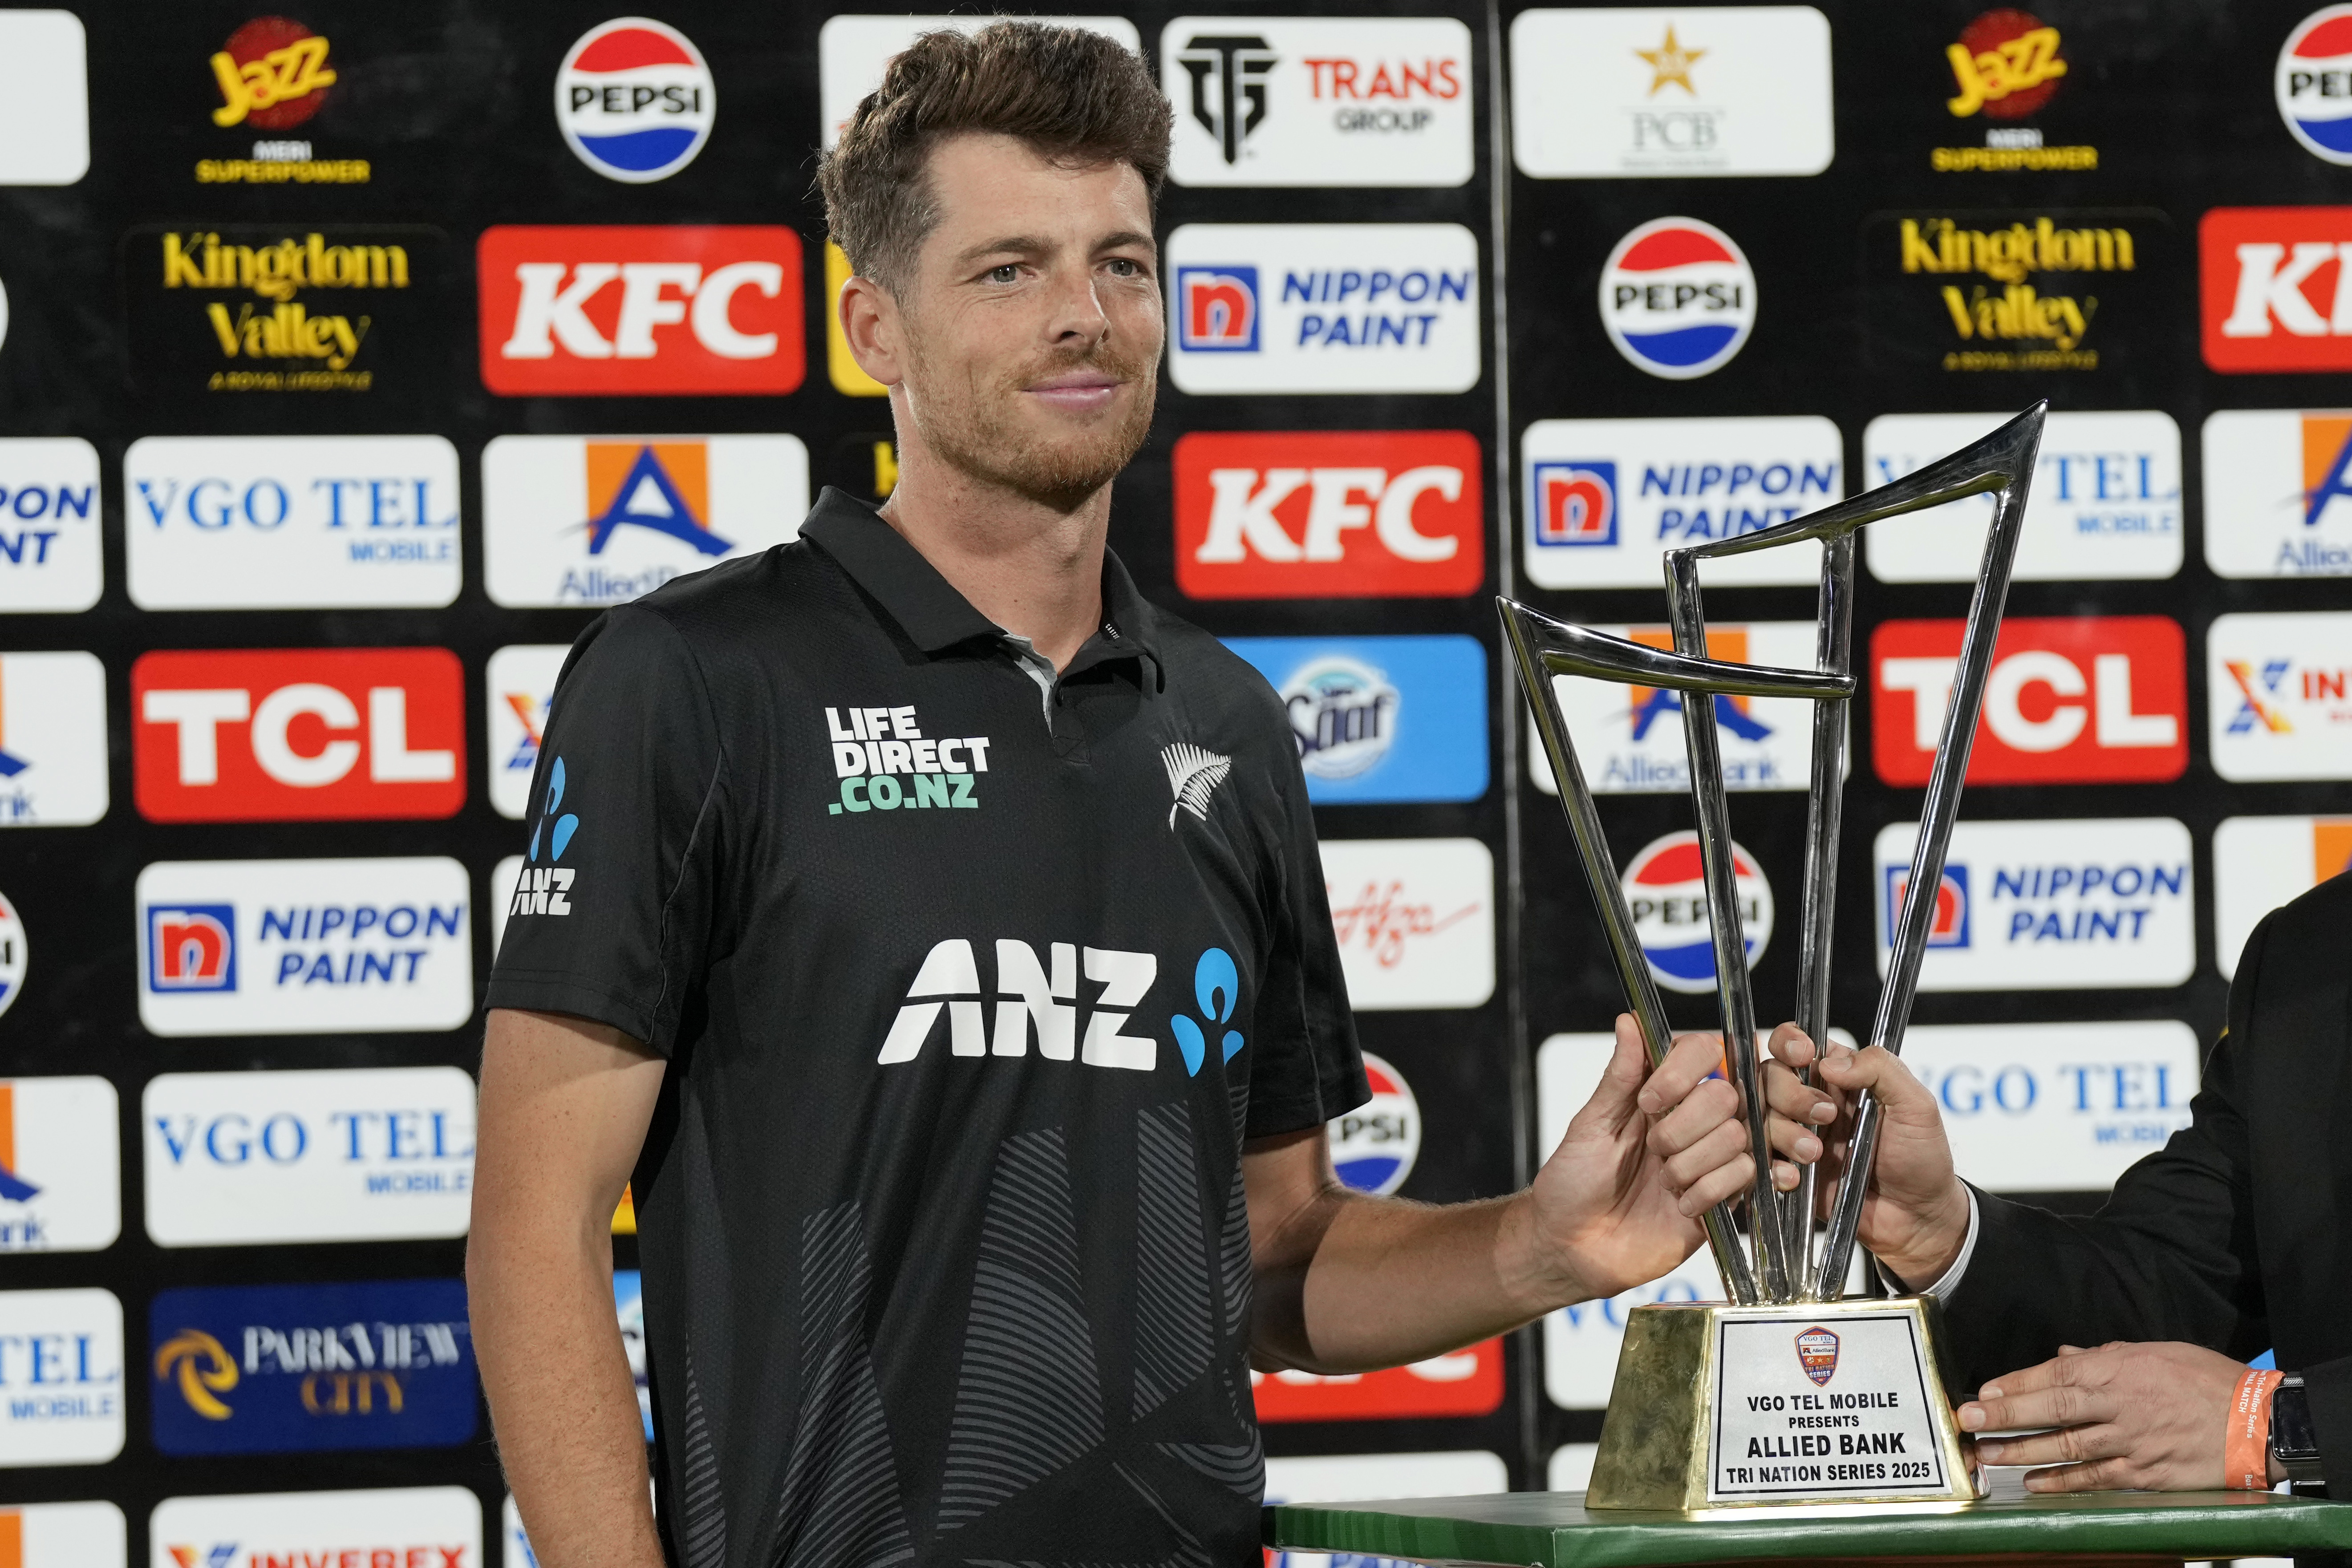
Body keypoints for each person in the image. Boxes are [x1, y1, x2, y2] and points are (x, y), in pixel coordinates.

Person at [466, 23, 1794, 1568]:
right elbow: (536, 1228)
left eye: (1122, 263)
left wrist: (1540, 1244)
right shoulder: (694, 679)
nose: (1085, 318)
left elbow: (1275, 1264)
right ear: (874, 326)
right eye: (1009, 270)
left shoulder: (1227, 722)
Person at [1763, 872, 2350, 1506]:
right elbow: (2170, 1290)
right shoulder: (2314, 948)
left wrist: (2283, 1421)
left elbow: (2238, 1411)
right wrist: (1939, 1234)